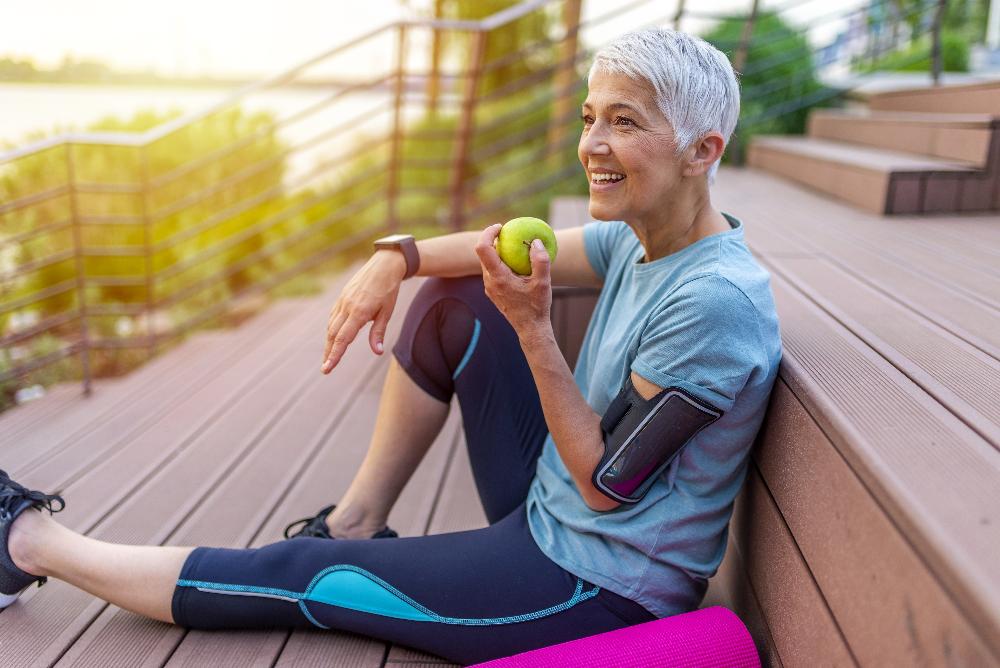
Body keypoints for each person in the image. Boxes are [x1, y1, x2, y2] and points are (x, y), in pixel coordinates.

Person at [0, 28, 781, 665]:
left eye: (625, 122)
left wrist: (536, 330)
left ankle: (30, 544)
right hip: (553, 511)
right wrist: (395, 258)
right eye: (589, 116)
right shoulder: (645, 239)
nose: (594, 143)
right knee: (455, 300)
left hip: (591, 587)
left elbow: (609, 485)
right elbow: (483, 251)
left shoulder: (712, 304)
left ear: (702, 151)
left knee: (308, 578)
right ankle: (357, 518)